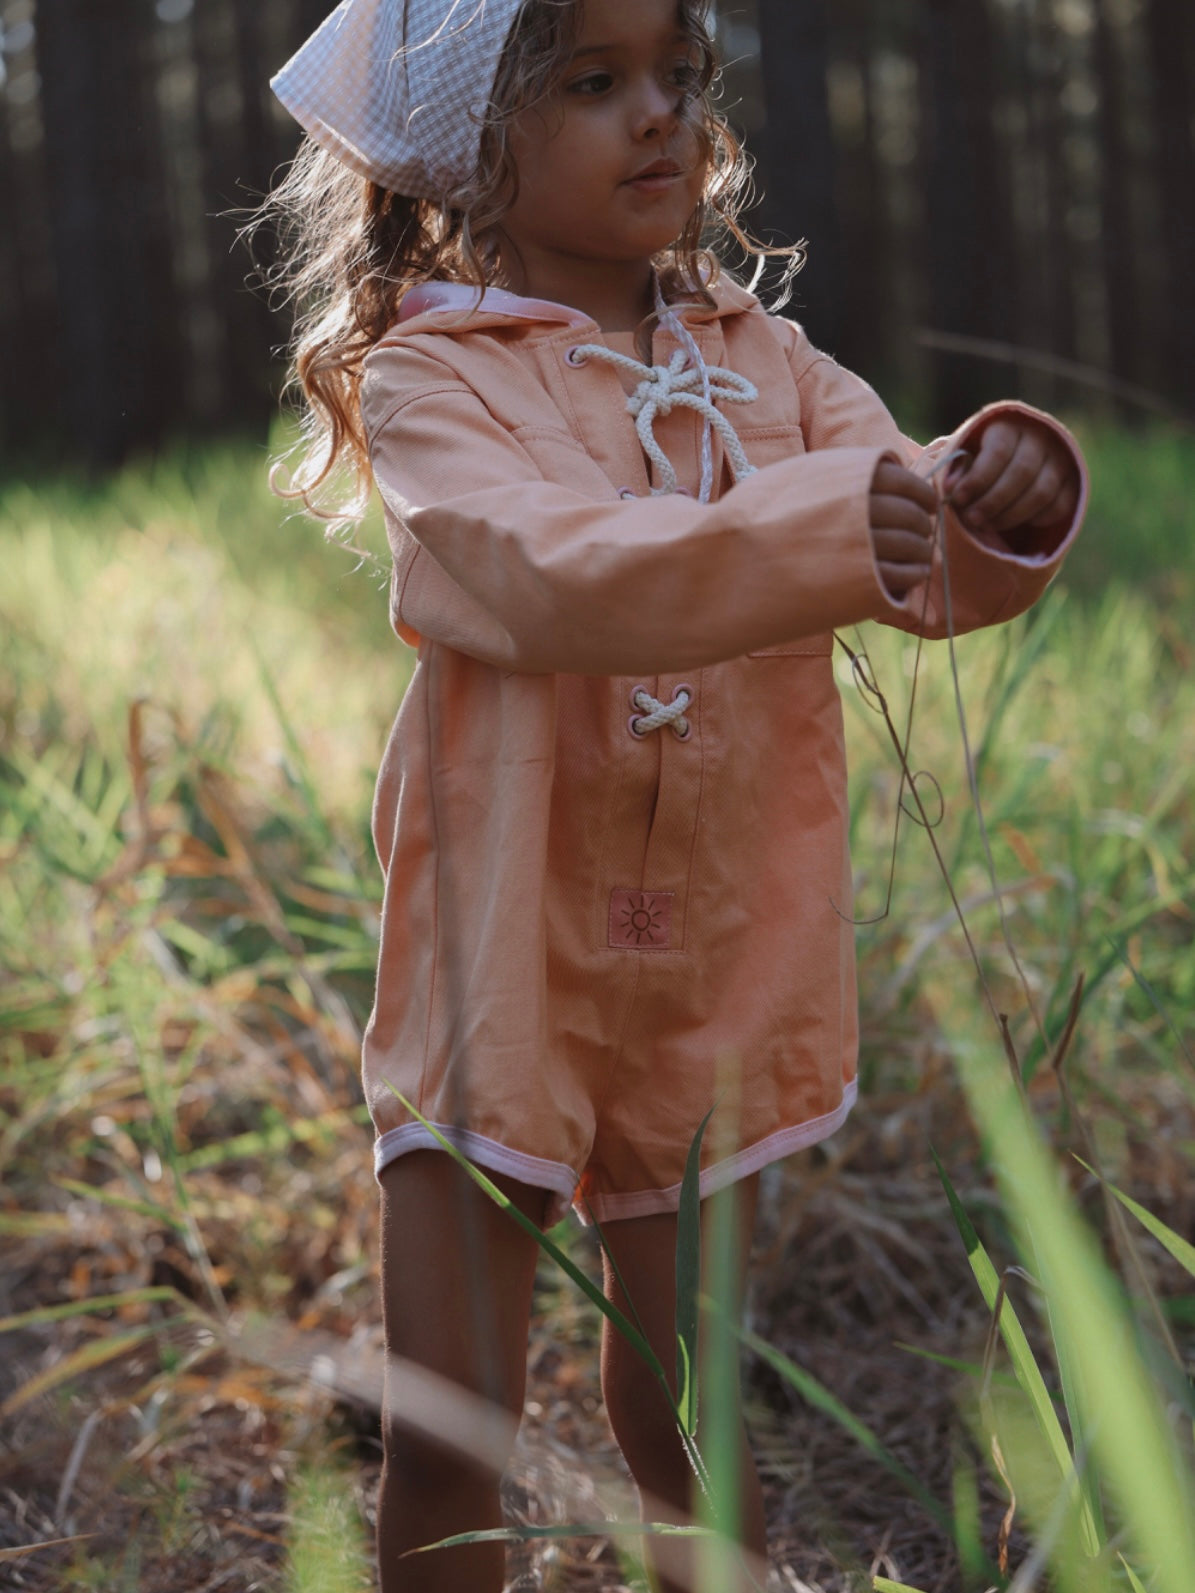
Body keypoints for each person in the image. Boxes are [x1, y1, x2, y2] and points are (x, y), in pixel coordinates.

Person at [266, 2, 1086, 1589]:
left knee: (689, 1408)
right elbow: (541, 567)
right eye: (594, 82)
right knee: (450, 1419)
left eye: (680, 77)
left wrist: (994, 491)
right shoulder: (436, 378)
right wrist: (828, 527)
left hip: (709, 961)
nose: (661, 115)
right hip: (499, 953)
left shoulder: (765, 362)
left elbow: (912, 532)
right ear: (465, 144)